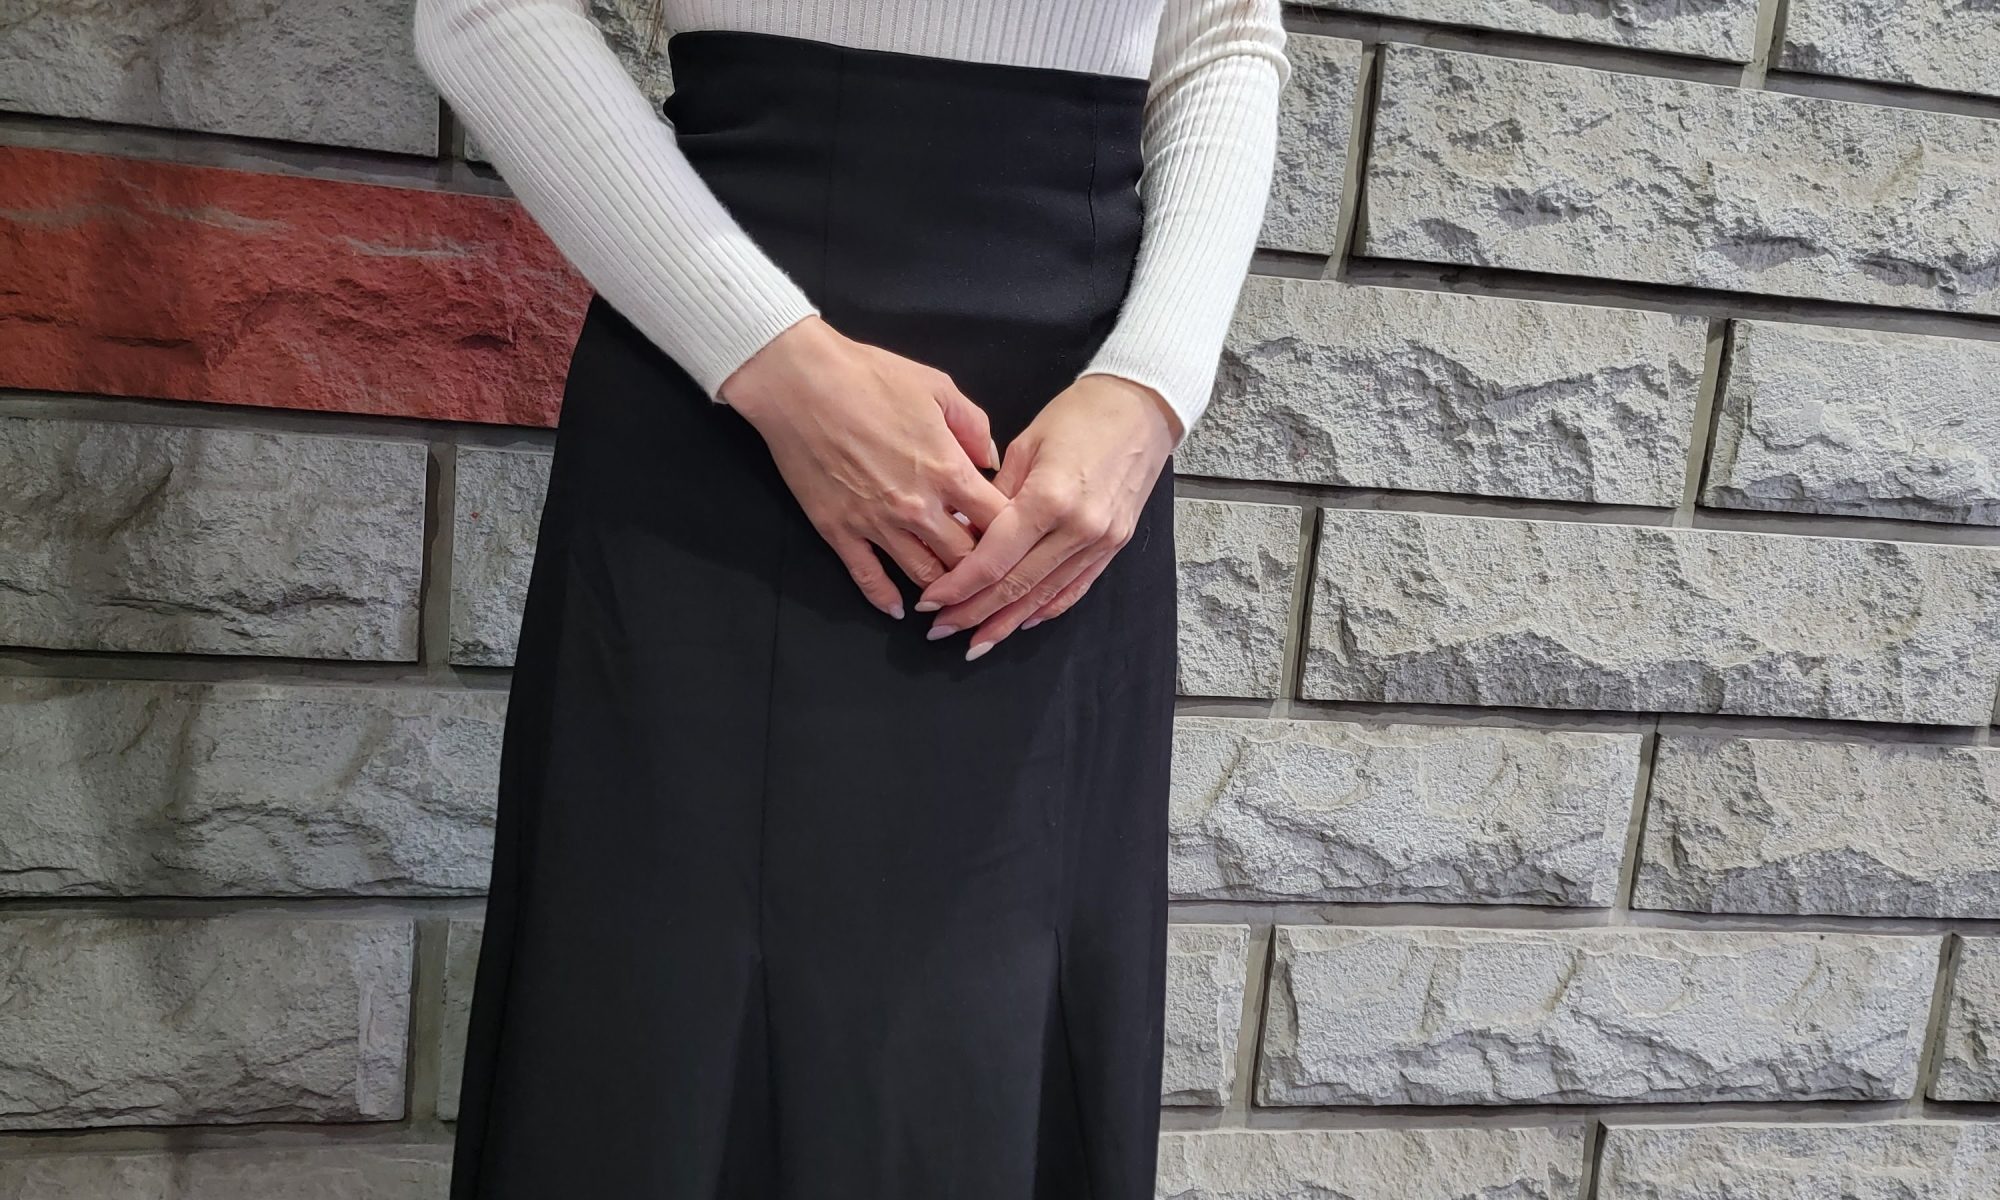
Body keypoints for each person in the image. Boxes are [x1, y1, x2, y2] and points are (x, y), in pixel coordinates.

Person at [411, 1, 1287, 1195]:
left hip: (1065, 472)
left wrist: (1150, 388)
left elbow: (1223, 36)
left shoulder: (1103, 446)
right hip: (725, 395)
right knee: (656, 1035)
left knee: (991, 1047)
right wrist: (772, 358)